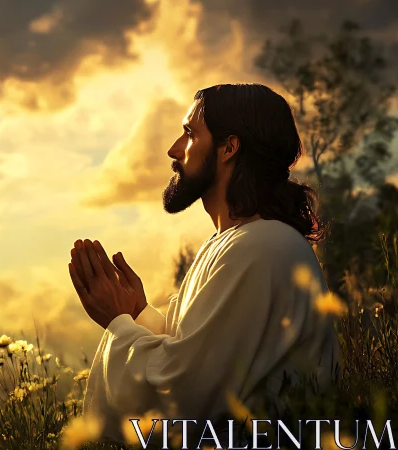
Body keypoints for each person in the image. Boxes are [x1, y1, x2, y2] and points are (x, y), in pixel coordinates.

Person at [68, 83, 340, 446]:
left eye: (189, 134)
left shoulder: (261, 247)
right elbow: (203, 351)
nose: (174, 150)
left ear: (229, 148)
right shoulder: (236, 242)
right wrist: (137, 312)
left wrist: (118, 322)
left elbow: (189, 397)